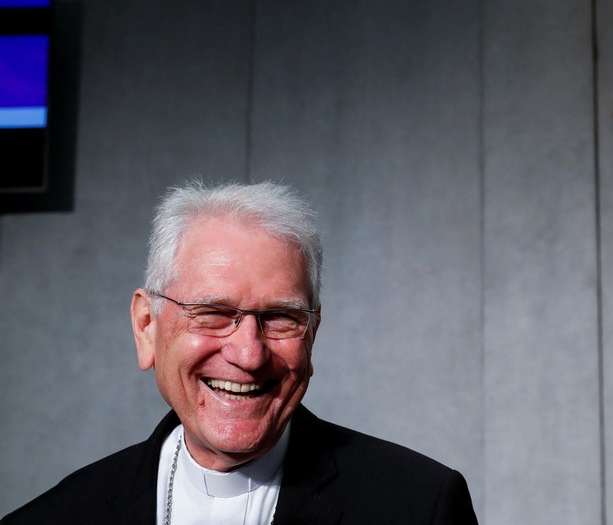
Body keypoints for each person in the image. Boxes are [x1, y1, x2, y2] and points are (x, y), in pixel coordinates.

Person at [2, 180, 478, 525]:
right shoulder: (54, 517)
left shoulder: (419, 506)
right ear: (147, 326)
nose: (249, 355)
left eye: (281, 317)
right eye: (212, 313)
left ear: (313, 333)